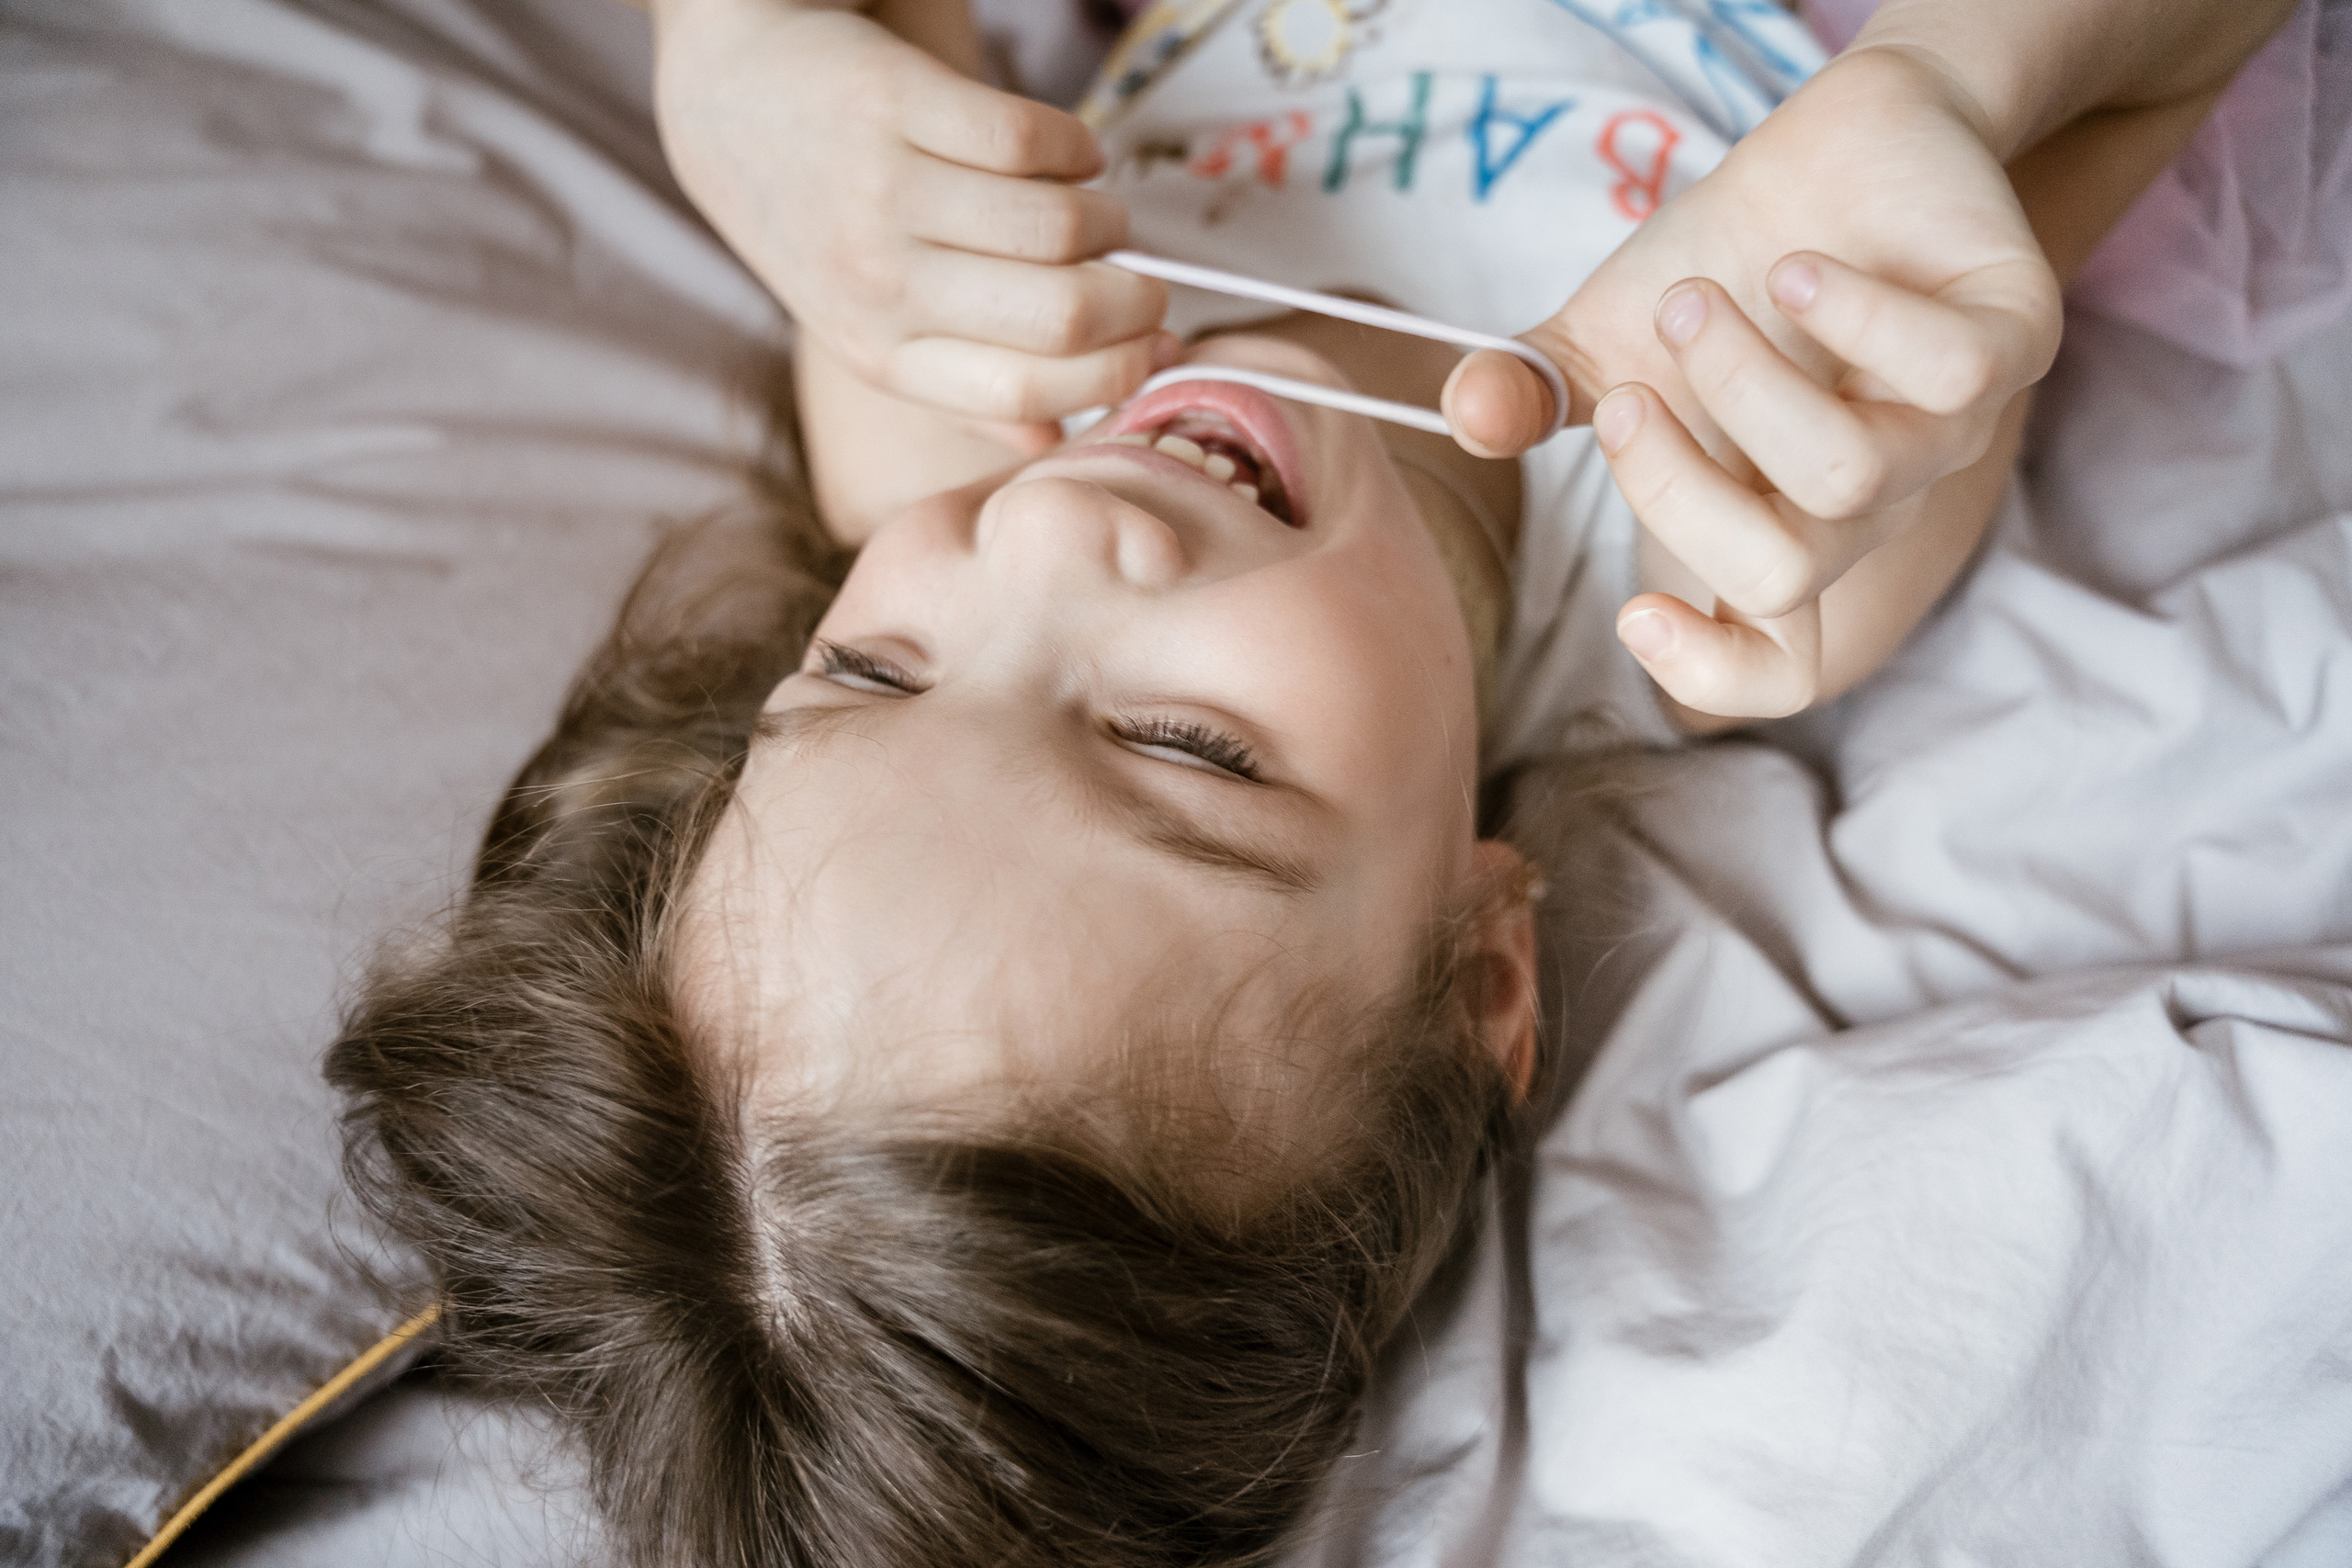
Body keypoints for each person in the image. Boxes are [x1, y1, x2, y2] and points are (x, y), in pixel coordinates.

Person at [328, 2, 2297, 1565]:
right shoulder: (1766, 523)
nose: (1055, 534)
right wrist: (1942, 85)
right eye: (1184, 749)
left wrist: (735, 54)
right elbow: (2160, 55)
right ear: (1483, 974)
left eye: (869, 670)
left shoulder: (932, 413)